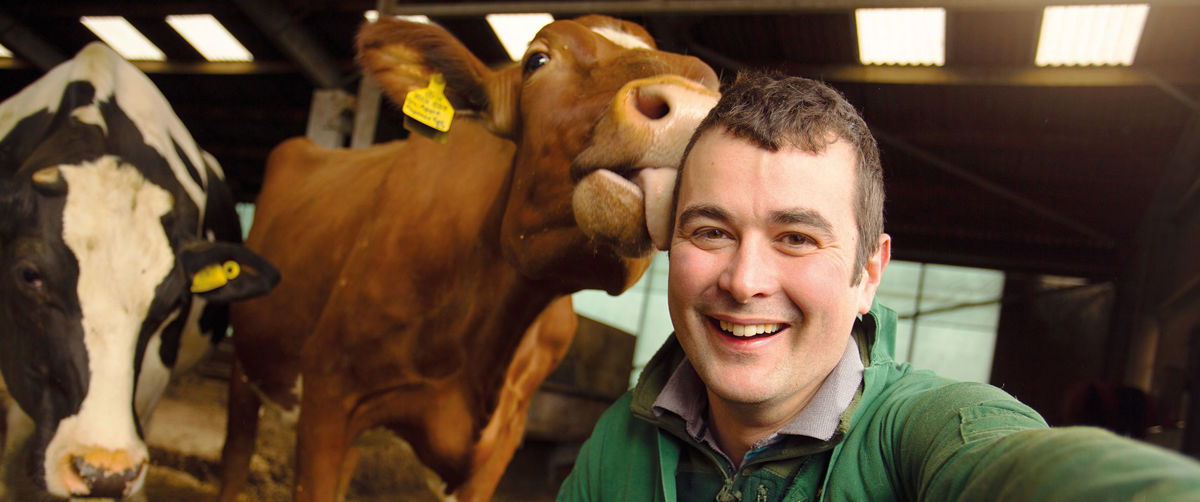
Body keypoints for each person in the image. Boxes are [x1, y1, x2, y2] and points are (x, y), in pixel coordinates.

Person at [556, 71, 1200, 501]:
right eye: (711, 231)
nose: (744, 281)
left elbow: (1023, 470)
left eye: (797, 238)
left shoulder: (927, 434)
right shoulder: (619, 441)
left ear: (868, 273)